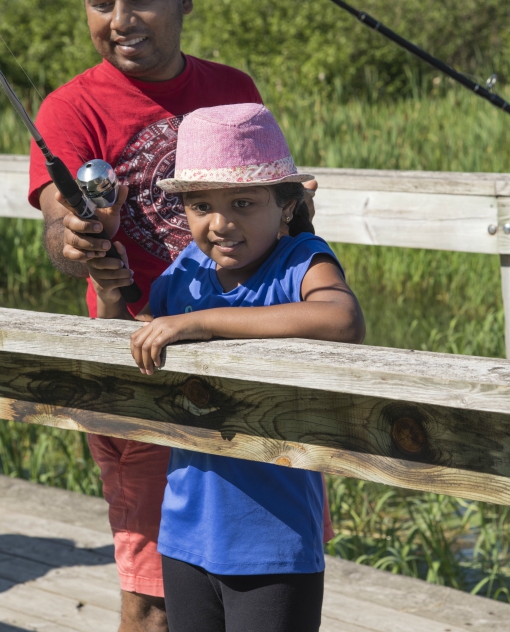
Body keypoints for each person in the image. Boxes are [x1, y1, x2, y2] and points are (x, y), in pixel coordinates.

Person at [28, 0, 329, 632]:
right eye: (101, 3)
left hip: (249, 368)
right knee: (155, 598)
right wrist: (77, 238)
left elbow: (278, 210)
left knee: (261, 574)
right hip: (144, 374)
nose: (121, 20)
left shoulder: (232, 88)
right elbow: (54, 221)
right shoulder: (70, 108)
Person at [89, 102, 366, 632]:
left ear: (286, 204)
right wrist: (109, 292)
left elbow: (342, 317)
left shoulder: (301, 259)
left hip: (273, 540)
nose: (220, 224)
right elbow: (146, 331)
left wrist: (203, 322)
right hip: (186, 527)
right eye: (200, 206)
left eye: (243, 202)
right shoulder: (191, 268)